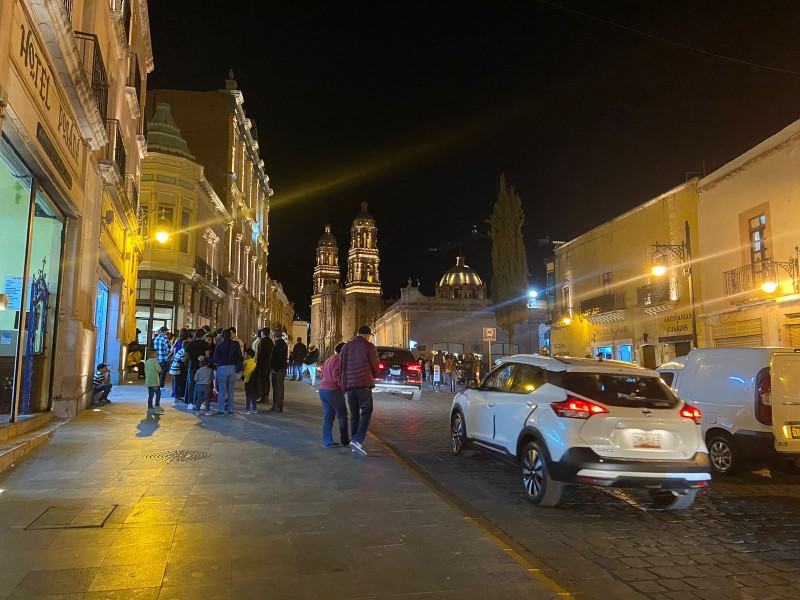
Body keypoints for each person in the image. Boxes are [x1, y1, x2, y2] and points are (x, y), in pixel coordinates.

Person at [340, 325, 380, 455]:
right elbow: (375, 365)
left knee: (354, 414)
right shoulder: (369, 346)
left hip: (350, 386)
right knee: (367, 411)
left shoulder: (346, 346)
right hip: (364, 385)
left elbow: (342, 367)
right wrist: (375, 375)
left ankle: (354, 441)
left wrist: (344, 385)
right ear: (368, 335)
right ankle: (357, 439)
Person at [318, 341, 349, 448]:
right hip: (333, 391)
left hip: (323, 390)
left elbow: (322, 374)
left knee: (328, 416)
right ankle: (344, 439)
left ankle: (327, 441)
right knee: (342, 415)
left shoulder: (329, 359)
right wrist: (344, 387)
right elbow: (337, 376)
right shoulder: (338, 360)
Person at [210, 328, 243, 415]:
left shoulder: (219, 346)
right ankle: (230, 409)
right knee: (230, 390)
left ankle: (221, 410)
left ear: (222, 336)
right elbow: (239, 356)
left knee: (222, 390)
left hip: (222, 368)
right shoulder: (236, 344)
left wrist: (205, 359)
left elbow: (215, 359)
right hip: (232, 368)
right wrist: (239, 369)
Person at [183, 329, 210, 407]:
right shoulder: (205, 344)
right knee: (200, 384)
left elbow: (185, 354)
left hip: (192, 366)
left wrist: (191, 358)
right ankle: (198, 402)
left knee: (191, 384)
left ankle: (190, 403)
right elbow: (207, 355)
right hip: (201, 366)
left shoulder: (191, 343)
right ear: (203, 336)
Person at [269, 329, 288, 412]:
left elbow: (276, 358)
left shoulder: (277, 345)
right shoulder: (284, 344)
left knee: (277, 387)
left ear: (274, 336)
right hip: (282, 368)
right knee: (280, 387)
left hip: (277, 369)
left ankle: (277, 405)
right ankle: (279, 405)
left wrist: (275, 368)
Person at [256, 328, 274, 403]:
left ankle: (262, 396)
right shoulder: (271, 342)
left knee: (262, 380)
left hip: (262, 364)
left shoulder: (262, 341)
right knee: (267, 379)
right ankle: (266, 396)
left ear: (263, 333)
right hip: (269, 364)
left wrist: (258, 363)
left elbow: (260, 353)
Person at [144, 349, 164, 415]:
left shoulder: (147, 361)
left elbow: (145, 371)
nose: (157, 354)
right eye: (156, 353)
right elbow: (159, 369)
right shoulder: (155, 361)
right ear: (152, 354)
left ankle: (150, 408)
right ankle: (156, 406)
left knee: (150, 395)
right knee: (158, 393)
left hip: (148, 381)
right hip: (154, 381)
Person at [241, 348, 259, 414]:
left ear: (250, 355)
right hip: (254, 381)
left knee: (248, 395)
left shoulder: (246, 362)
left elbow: (242, 369)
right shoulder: (254, 362)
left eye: (246, 354)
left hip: (247, 380)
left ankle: (247, 409)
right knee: (253, 395)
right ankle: (255, 409)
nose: (244, 356)